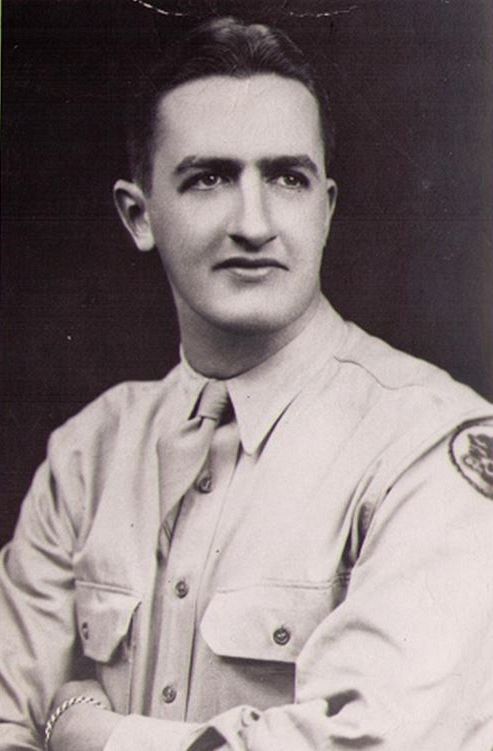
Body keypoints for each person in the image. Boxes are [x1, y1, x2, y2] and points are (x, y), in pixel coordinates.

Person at [1, 15, 493, 751]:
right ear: (139, 215)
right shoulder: (86, 455)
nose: (254, 223)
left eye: (287, 178)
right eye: (209, 178)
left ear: (325, 209)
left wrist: (87, 731)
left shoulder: (425, 446)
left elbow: (370, 743)